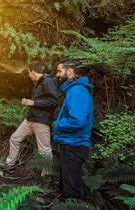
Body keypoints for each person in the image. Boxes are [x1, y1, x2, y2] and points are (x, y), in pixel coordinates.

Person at [0, 61, 59, 173]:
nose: (28, 76)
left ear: (33, 71)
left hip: (41, 121)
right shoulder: (40, 83)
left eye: (29, 73)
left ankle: (47, 176)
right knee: (15, 138)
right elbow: (39, 100)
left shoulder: (48, 81)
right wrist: (30, 102)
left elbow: (54, 101)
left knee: (44, 149)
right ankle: (10, 164)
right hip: (31, 119)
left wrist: (33, 103)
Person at [53, 59, 94, 200]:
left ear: (70, 72)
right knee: (67, 187)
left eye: (59, 71)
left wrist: (58, 125)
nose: (57, 74)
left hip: (74, 146)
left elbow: (77, 121)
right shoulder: (74, 90)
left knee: (72, 194)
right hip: (71, 144)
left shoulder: (77, 91)